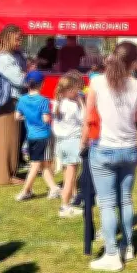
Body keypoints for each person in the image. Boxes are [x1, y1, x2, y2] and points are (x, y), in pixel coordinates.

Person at [84, 42, 137, 272]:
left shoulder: (97, 83)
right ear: (134, 63)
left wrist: (83, 142)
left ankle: (112, 252)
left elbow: (88, 118)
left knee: (106, 203)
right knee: (125, 199)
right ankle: (128, 244)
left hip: (103, 148)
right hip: (129, 148)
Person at [14, 71, 61, 202]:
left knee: (44, 164)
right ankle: (25, 191)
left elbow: (17, 116)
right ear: (42, 85)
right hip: (44, 136)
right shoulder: (44, 100)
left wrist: (29, 117)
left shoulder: (22, 99)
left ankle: (53, 189)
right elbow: (46, 119)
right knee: (36, 165)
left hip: (31, 136)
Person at [0, 25, 28, 186]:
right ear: (8, 38)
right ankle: (5, 176)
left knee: (13, 138)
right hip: (8, 102)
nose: (20, 40)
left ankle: (10, 172)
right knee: (7, 140)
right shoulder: (5, 58)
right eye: (17, 38)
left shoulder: (14, 55)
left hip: (14, 101)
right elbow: (20, 80)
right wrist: (29, 73)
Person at [52, 72, 85, 218]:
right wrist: (82, 103)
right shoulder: (72, 105)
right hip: (72, 141)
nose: (78, 91)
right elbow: (84, 118)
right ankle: (64, 206)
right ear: (69, 90)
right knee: (71, 176)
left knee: (67, 172)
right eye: (76, 89)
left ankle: (71, 197)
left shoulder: (57, 103)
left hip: (61, 142)